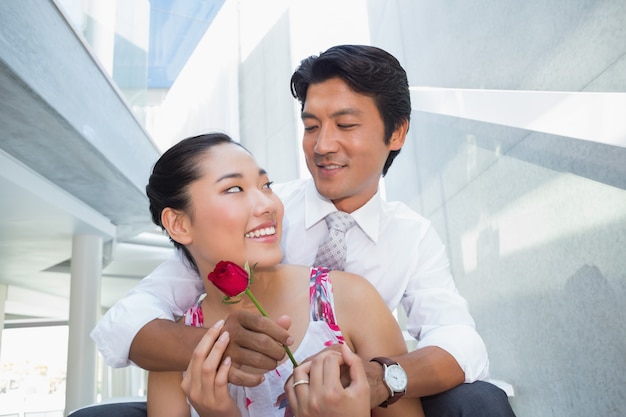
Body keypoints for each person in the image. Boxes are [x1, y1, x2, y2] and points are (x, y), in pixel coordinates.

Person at [85, 44, 516, 416]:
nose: (322, 145)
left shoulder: (411, 238)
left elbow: (461, 340)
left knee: (479, 403)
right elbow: (132, 320)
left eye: (345, 125)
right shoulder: (259, 218)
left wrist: (381, 377)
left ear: (396, 133)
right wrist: (220, 351)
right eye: (311, 126)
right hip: (227, 395)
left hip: (360, 395)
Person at [139, 133, 423, 416]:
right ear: (178, 224)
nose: (268, 205)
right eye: (234, 189)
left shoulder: (350, 299)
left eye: (266, 185)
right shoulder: (175, 351)